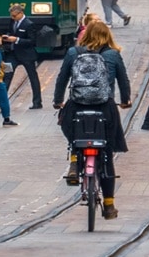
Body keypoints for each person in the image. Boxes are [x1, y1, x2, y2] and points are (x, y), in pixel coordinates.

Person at [53, 21, 131, 220]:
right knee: (106, 154)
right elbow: (123, 80)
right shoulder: (113, 55)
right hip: (105, 108)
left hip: (77, 106)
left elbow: (62, 78)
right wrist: (125, 100)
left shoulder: (74, 53)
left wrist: (58, 101)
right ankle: (109, 204)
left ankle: (73, 160)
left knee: (69, 128)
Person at [2, 4, 43, 109]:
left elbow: (32, 41)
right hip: (13, 54)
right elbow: (10, 31)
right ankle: (1, 99)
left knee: (33, 77)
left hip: (27, 55)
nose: (12, 18)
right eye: (11, 16)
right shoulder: (12, 21)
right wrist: (7, 37)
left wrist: (16, 40)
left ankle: (37, 102)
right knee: (7, 75)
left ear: (21, 13)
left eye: (14, 16)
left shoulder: (29, 24)